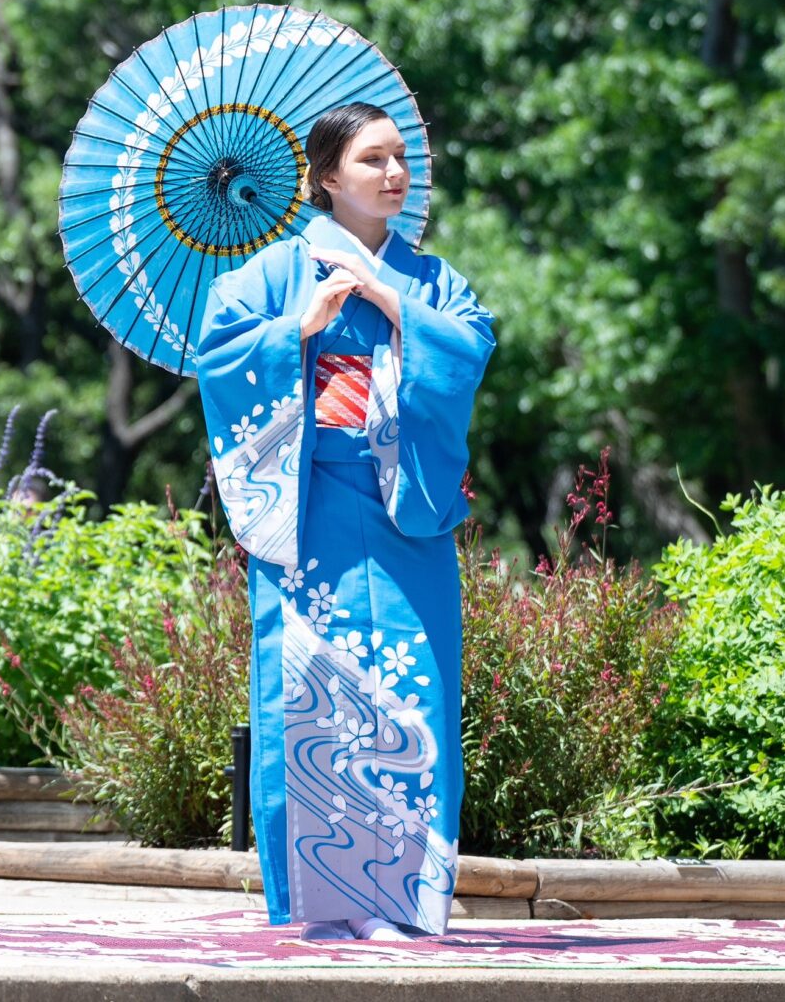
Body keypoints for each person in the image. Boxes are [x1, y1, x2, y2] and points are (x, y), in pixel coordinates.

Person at [193, 102, 494, 942]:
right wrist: (299, 328)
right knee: (309, 691)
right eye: (373, 160)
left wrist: (396, 305)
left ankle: (401, 901)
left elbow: (471, 346)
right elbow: (218, 355)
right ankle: (326, 902)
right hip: (307, 503)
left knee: (414, 688)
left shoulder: (429, 277)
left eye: (401, 158)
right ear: (328, 177)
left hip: (406, 505)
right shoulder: (267, 274)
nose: (395, 173)